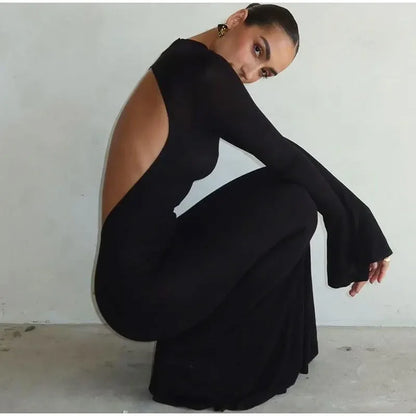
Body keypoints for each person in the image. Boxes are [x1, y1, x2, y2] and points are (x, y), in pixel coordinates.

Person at [93, 3, 393, 411]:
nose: (251, 73)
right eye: (257, 50)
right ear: (237, 19)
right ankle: (208, 367)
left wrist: (357, 221)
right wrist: (357, 225)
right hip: (135, 292)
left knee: (289, 194)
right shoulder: (201, 73)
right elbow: (284, 154)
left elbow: (286, 159)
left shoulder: (187, 59)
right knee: (293, 201)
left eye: (265, 73)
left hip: (153, 257)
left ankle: (270, 351)